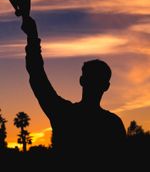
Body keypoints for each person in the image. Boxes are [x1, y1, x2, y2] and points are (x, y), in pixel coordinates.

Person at [21, 16, 126, 169]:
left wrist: (32, 37)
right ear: (106, 86)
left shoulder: (64, 114)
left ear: (81, 81)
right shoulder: (113, 124)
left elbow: (37, 77)